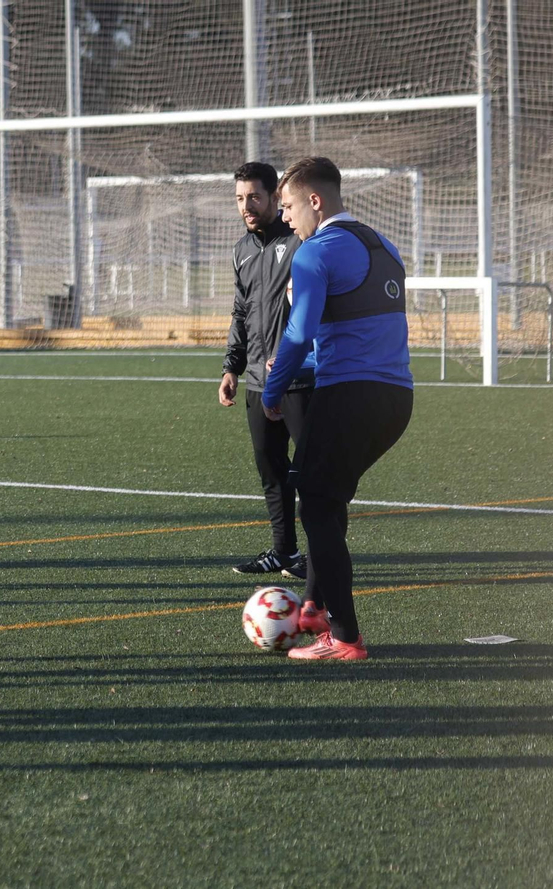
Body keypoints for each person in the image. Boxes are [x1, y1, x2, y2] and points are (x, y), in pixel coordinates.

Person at [263, 157, 414, 661]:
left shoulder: (314, 254)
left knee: (318, 501)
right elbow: (355, 325)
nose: (284, 218)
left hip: (350, 394)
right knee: (326, 498)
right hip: (396, 400)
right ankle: (313, 605)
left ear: (314, 201)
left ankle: (343, 637)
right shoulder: (385, 246)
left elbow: (298, 332)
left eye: (286, 206)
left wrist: (271, 391)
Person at [218, 162, 311, 580]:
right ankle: (284, 553)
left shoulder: (299, 243)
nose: (246, 206)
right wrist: (231, 367)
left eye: (254, 196)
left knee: (311, 472)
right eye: (240, 198)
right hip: (256, 378)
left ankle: (322, 553)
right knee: (271, 470)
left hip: (297, 379)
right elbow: (241, 312)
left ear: (275, 197)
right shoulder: (240, 251)